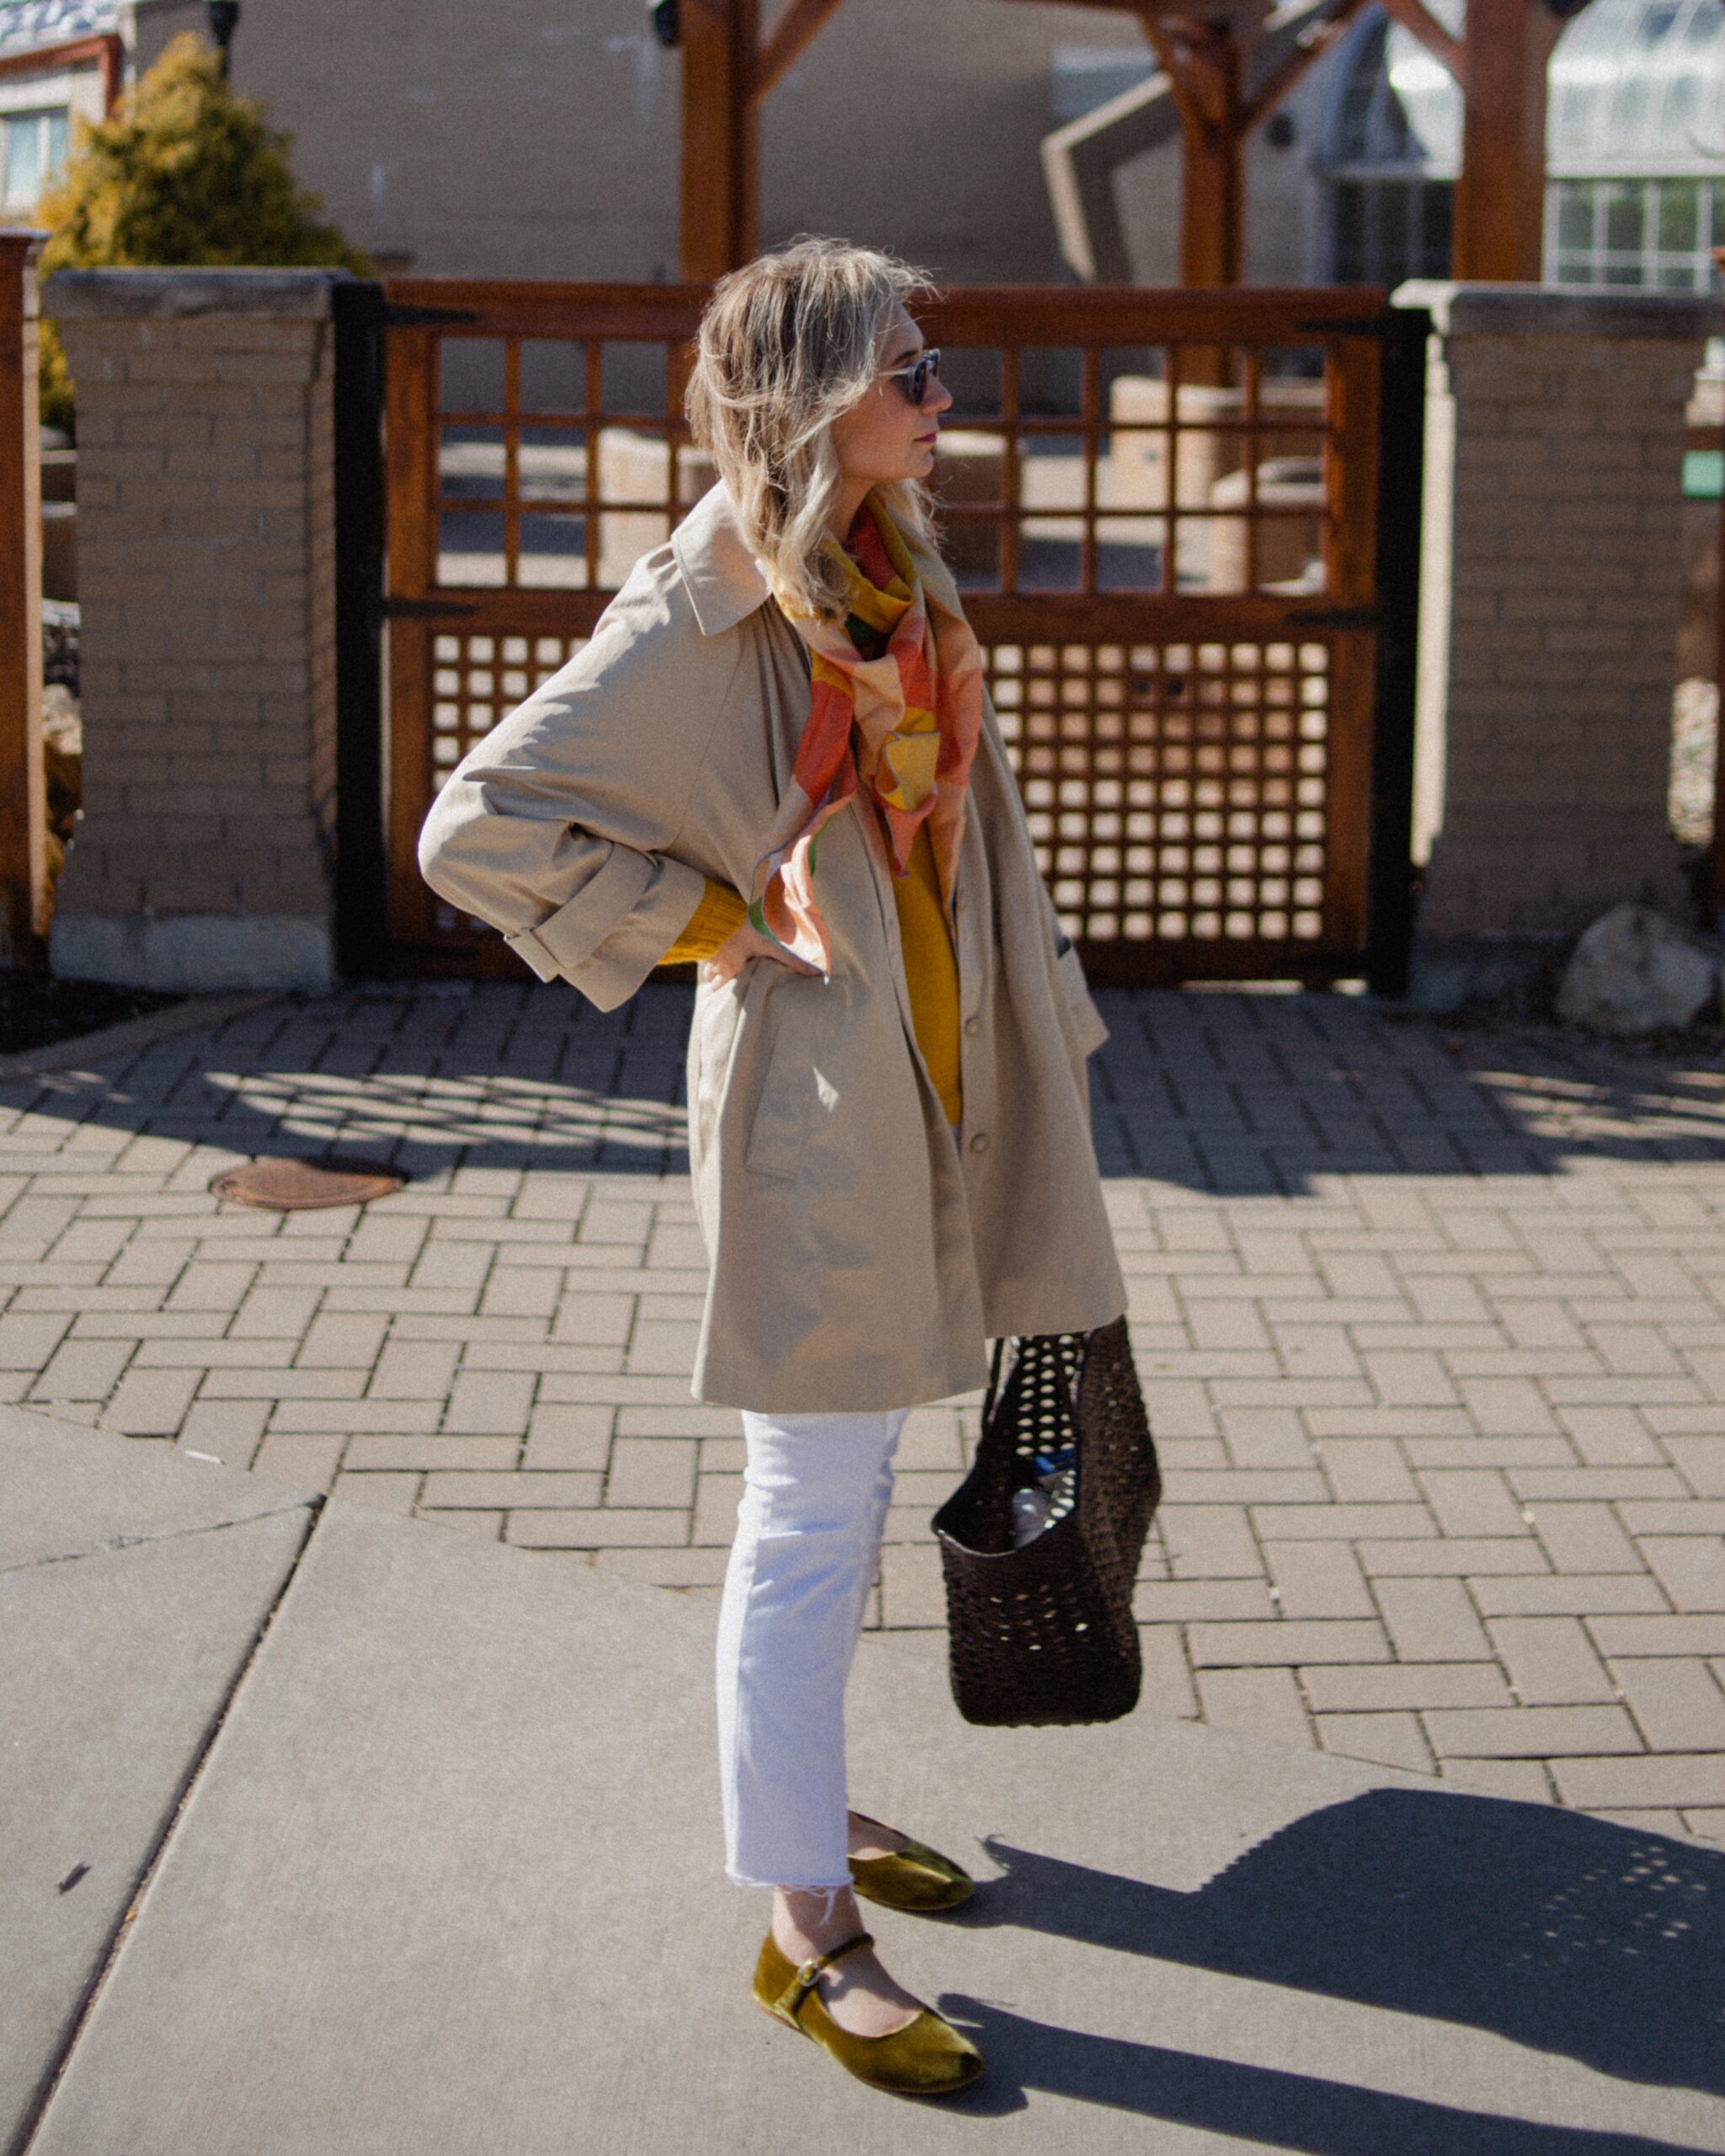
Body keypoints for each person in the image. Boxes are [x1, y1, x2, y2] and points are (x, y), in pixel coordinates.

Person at [419, 237, 1125, 2098]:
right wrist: (712, 915)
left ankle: (801, 1794)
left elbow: (964, 830)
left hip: (944, 1080)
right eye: (908, 370)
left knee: (860, 1481)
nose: (941, 394)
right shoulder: (703, 608)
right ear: (815, 399)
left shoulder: (888, 571)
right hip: (822, 1105)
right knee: (811, 1505)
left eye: (932, 361)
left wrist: (1045, 1027)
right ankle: (805, 1926)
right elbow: (473, 827)